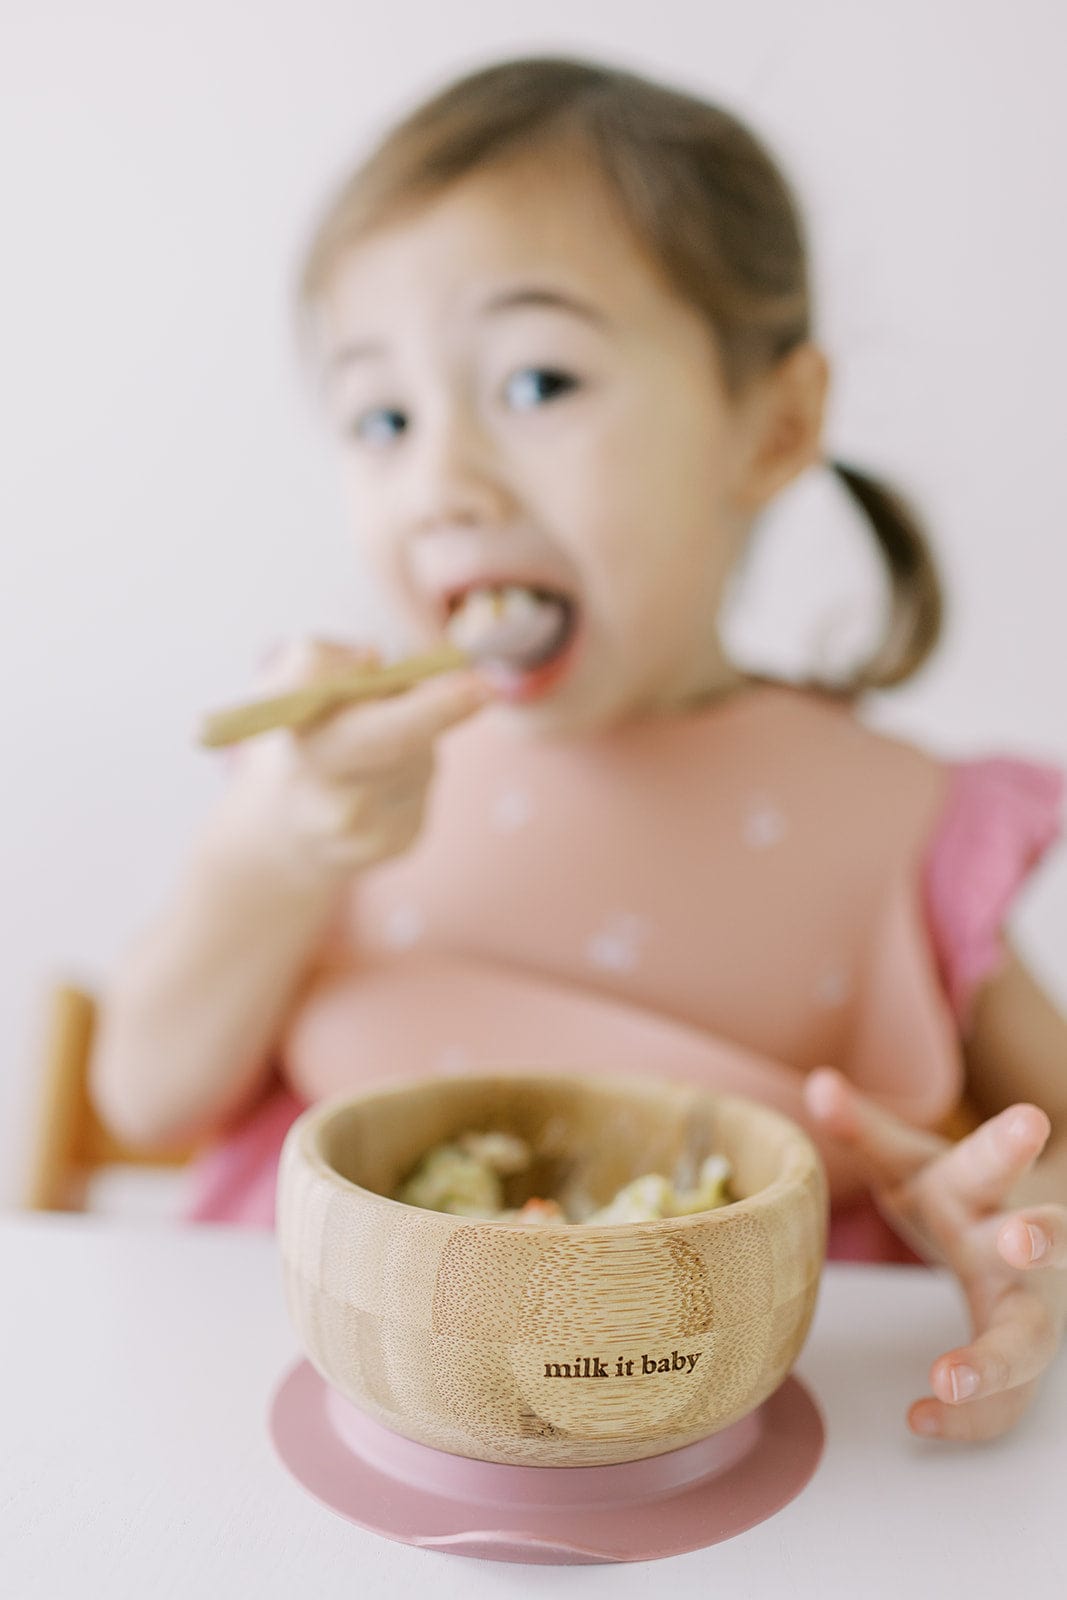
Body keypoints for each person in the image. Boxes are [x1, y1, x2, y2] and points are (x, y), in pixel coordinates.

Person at [90, 55, 1067, 1443]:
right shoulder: (342, 786)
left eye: (538, 381)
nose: (443, 481)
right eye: (383, 417)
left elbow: (1045, 1148)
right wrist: (275, 842)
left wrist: (1020, 1230)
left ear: (774, 424)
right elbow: (141, 1087)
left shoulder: (896, 821)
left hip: (743, 1434)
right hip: (320, 1414)